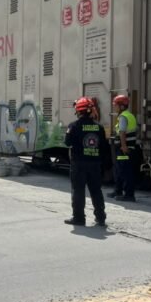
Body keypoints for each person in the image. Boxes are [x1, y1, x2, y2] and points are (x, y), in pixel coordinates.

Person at [64, 97, 108, 227]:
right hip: (95, 164)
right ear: (90, 111)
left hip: (79, 163)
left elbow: (67, 143)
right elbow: (104, 147)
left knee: (78, 190)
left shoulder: (73, 126)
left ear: (78, 111)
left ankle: (79, 218)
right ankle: (100, 218)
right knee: (96, 190)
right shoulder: (99, 127)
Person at [107, 94, 137, 202]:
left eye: (116, 105)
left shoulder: (123, 117)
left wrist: (124, 146)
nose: (114, 107)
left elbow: (122, 132)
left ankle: (129, 195)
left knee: (125, 171)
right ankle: (118, 191)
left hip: (124, 149)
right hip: (125, 148)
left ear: (122, 106)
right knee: (119, 170)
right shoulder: (129, 115)